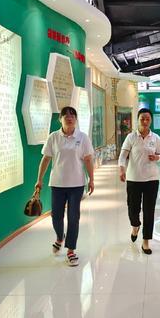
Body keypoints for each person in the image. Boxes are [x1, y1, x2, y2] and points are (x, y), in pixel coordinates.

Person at [35, 106, 95, 267]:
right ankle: (59, 237)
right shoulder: (54, 137)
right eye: (66, 115)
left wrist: (91, 179)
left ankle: (71, 250)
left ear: (76, 119)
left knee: (74, 217)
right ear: (60, 119)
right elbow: (46, 159)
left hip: (77, 184)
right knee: (56, 216)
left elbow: (88, 159)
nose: (69, 118)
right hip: (57, 183)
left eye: (72, 115)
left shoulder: (82, 137)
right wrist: (39, 179)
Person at [118, 108, 160, 255]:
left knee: (149, 211)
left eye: (147, 119)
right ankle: (135, 225)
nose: (145, 121)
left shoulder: (155, 138)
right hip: (134, 179)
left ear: (151, 121)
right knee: (133, 209)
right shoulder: (131, 137)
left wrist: (157, 158)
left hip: (152, 179)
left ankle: (146, 241)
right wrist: (121, 169)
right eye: (142, 118)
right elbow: (122, 156)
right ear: (137, 120)